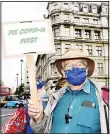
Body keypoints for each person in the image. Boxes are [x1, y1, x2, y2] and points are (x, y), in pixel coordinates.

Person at [28, 49, 108, 133]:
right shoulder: (55, 98)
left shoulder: (105, 94)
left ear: (86, 70)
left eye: (79, 65)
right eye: (70, 66)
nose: (75, 68)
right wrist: (39, 117)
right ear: (63, 72)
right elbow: (41, 130)